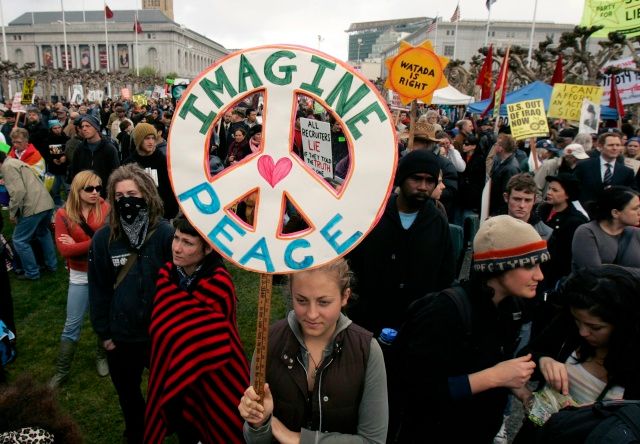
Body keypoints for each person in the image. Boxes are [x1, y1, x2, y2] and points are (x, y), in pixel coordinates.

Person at [389, 215, 546, 443]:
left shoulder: (512, 307)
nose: (539, 275)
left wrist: (520, 390)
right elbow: (416, 388)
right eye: (530, 264)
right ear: (499, 265)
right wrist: (493, 377)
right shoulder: (444, 311)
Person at [238, 258, 388, 443]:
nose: (311, 314)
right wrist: (259, 423)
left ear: (345, 296)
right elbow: (255, 439)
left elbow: (373, 440)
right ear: (290, 293)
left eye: (323, 302)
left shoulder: (367, 351)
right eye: (301, 300)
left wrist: (298, 439)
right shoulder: (268, 342)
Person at [145, 215, 249, 443]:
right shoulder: (166, 277)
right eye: (176, 239)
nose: (177, 248)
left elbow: (219, 341)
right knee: (187, 432)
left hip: (212, 378)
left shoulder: (220, 284)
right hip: (176, 377)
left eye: (188, 243)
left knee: (214, 426)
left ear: (208, 248)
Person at [88, 164, 173, 444]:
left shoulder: (164, 234)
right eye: (119, 194)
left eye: (132, 193)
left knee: (170, 387)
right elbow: (98, 287)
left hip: (160, 333)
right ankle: (137, 432)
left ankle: (172, 423)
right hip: (122, 336)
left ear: (146, 194)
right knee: (128, 393)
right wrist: (105, 333)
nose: (126, 200)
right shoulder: (104, 239)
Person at [513, 265, 640, 443]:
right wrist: (543, 361)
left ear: (622, 324)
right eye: (577, 321)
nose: (583, 332)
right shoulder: (568, 326)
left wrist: (600, 413)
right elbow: (524, 357)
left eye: (595, 327)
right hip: (539, 434)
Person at [347, 149, 455, 336]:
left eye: (429, 181)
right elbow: (352, 264)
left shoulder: (437, 223)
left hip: (415, 324)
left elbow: (445, 274)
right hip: (367, 320)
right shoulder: (374, 217)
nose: (423, 186)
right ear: (402, 179)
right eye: (416, 179)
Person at [50, 171, 110, 388]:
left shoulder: (106, 208)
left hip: (104, 273)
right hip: (79, 275)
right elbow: (64, 250)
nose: (95, 192)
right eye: (89, 189)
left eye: (98, 188)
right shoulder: (63, 214)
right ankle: (62, 371)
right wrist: (96, 243)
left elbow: (110, 242)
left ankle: (101, 357)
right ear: (77, 190)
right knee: (72, 323)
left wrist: (78, 245)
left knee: (104, 318)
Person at [0, 151, 57, 281]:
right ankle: (51, 265)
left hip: (33, 207)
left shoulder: (7, 167)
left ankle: (32, 272)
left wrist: (13, 213)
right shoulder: (15, 162)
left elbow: (18, 192)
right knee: (43, 233)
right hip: (46, 203)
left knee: (19, 240)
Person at [538, 174, 588, 290]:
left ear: (567, 194)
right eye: (549, 188)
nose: (549, 192)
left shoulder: (575, 221)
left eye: (555, 190)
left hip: (554, 276)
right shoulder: (542, 209)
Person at [572, 186, 640, 271]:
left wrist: (608, 267)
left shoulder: (636, 233)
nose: (639, 212)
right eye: (635, 208)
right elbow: (593, 274)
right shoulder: (587, 232)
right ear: (615, 213)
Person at [123, 122, 178, 219]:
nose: (151, 142)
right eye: (147, 138)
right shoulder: (129, 163)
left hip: (162, 215)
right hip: (137, 216)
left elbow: (170, 189)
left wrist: (168, 212)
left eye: (153, 138)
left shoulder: (163, 160)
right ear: (139, 140)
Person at [574, 132, 635, 206]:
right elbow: (574, 189)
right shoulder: (584, 166)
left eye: (618, 145)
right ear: (600, 146)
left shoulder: (627, 172)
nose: (615, 148)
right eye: (610, 145)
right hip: (586, 211)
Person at [67, 114, 120, 197]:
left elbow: (116, 173)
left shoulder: (109, 149)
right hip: (84, 194)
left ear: (96, 128)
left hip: (103, 195)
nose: (84, 129)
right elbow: (75, 172)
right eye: (82, 126)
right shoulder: (80, 149)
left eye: (88, 126)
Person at [504, 173, 552, 240]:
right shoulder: (491, 228)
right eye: (517, 199)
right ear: (506, 197)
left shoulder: (547, 234)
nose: (522, 205)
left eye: (527, 200)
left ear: (534, 200)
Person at [490, 134, 521, 216]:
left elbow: (506, 195)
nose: (494, 146)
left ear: (501, 148)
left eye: (496, 144)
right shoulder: (503, 162)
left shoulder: (510, 169)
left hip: (499, 213)